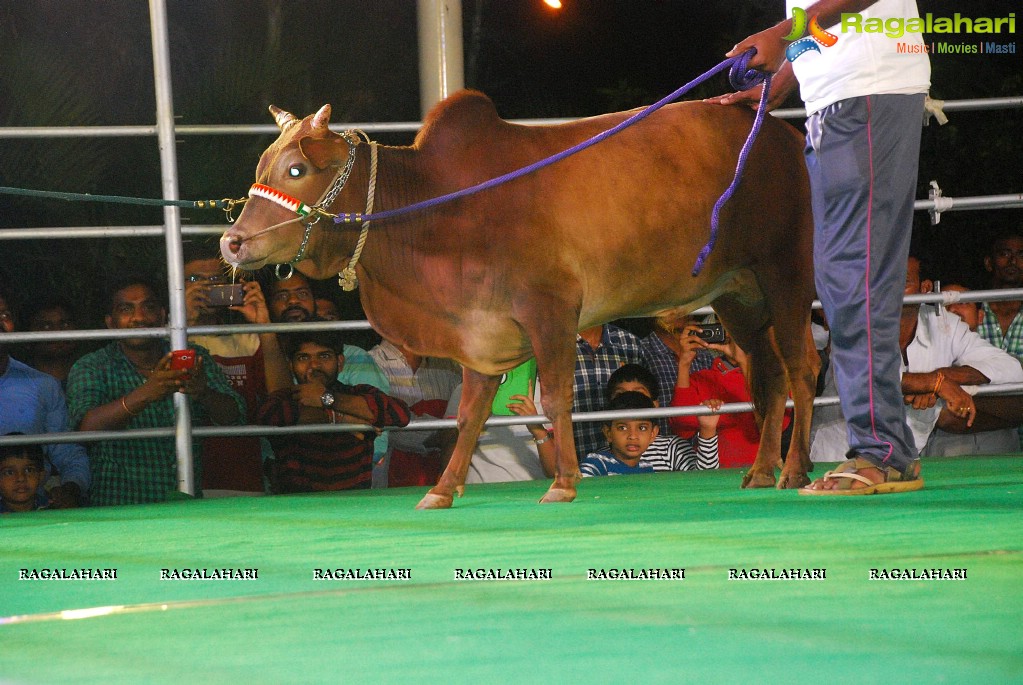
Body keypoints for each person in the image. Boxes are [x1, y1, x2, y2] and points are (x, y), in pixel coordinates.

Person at [713, 0, 931, 494]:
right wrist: (785, 80)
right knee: (839, 275)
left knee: (855, 272)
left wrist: (783, 32)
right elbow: (831, 25)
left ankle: (884, 452)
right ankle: (884, 447)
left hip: (867, 94)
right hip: (839, 100)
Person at [812, 255, 1023, 463]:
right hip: (837, 455)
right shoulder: (855, 321)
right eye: (883, 280)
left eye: (903, 282)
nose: (890, 289)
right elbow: (857, 377)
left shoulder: (944, 325)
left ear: (925, 288)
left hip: (902, 461)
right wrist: (934, 384)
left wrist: (942, 377)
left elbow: (1011, 368)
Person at [65, 275, 245, 506]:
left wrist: (203, 392)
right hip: (118, 509)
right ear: (111, 322)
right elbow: (84, 429)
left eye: (148, 307)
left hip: (184, 507)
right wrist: (147, 392)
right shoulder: (92, 365)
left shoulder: (190, 356)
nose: (139, 318)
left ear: (162, 315)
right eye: (126, 309)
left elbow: (235, 416)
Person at [184, 245, 293, 494]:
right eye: (193, 280)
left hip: (243, 477)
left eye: (214, 280)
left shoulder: (247, 339)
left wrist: (263, 325)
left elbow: (283, 396)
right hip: (183, 477)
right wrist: (185, 323)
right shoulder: (162, 338)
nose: (205, 287)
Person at [256, 328, 410, 493]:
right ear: (291, 365)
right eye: (303, 358)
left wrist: (327, 398)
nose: (314, 365)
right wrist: (340, 418)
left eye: (324, 356)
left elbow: (400, 414)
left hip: (353, 505)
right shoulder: (285, 398)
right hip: (297, 507)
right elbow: (269, 415)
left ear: (340, 362)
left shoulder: (357, 393)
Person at [267, 271, 392, 472]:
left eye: (302, 294)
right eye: (281, 296)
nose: (292, 301)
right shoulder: (266, 356)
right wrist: (343, 418)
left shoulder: (354, 356)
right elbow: (275, 416)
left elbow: (389, 417)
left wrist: (327, 399)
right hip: (290, 479)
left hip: (356, 475)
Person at [0, 281, 90, 508]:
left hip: (30, 513)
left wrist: (71, 489)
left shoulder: (42, 385)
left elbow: (68, 454)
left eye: (4, 315)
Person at [670, 325, 789, 469]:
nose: (733, 337)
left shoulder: (775, 378)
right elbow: (681, 425)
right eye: (726, 329)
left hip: (762, 472)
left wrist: (744, 363)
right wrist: (684, 362)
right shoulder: (703, 378)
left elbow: (777, 424)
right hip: (713, 475)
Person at [438, 361, 556, 484]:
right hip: (480, 491)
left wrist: (537, 429)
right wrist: (471, 421)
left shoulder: (543, 394)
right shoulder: (465, 392)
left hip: (530, 490)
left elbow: (554, 471)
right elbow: (447, 464)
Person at [369, 339, 461, 487]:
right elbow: (382, 423)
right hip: (388, 481)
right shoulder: (368, 362)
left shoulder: (449, 363)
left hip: (445, 472)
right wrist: (447, 435)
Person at [606, 363, 719, 471]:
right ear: (608, 433)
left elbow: (704, 478)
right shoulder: (601, 459)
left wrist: (707, 429)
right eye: (621, 395)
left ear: (655, 405)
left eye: (639, 395)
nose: (630, 401)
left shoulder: (672, 447)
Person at [572, 323, 645, 461]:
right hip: (573, 462)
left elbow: (646, 398)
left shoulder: (630, 342)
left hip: (628, 464)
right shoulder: (551, 340)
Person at [639, 307, 715, 434]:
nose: (677, 310)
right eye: (670, 304)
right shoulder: (640, 351)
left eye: (684, 303)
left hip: (704, 444)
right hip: (659, 446)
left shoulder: (703, 353)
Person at [978, 231, 1023, 361]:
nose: (1013, 261)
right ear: (989, 263)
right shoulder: (971, 309)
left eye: (1021, 255)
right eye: (1005, 254)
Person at [19, 298, 82, 388]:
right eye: (46, 326)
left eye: (65, 324)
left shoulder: (90, 375)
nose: (58, 332)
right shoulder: (19, 380)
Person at [0, 438, 48, 513]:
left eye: (29, 470)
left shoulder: (52, 508)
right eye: (9, 472)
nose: (21, 478)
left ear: (41, 476)